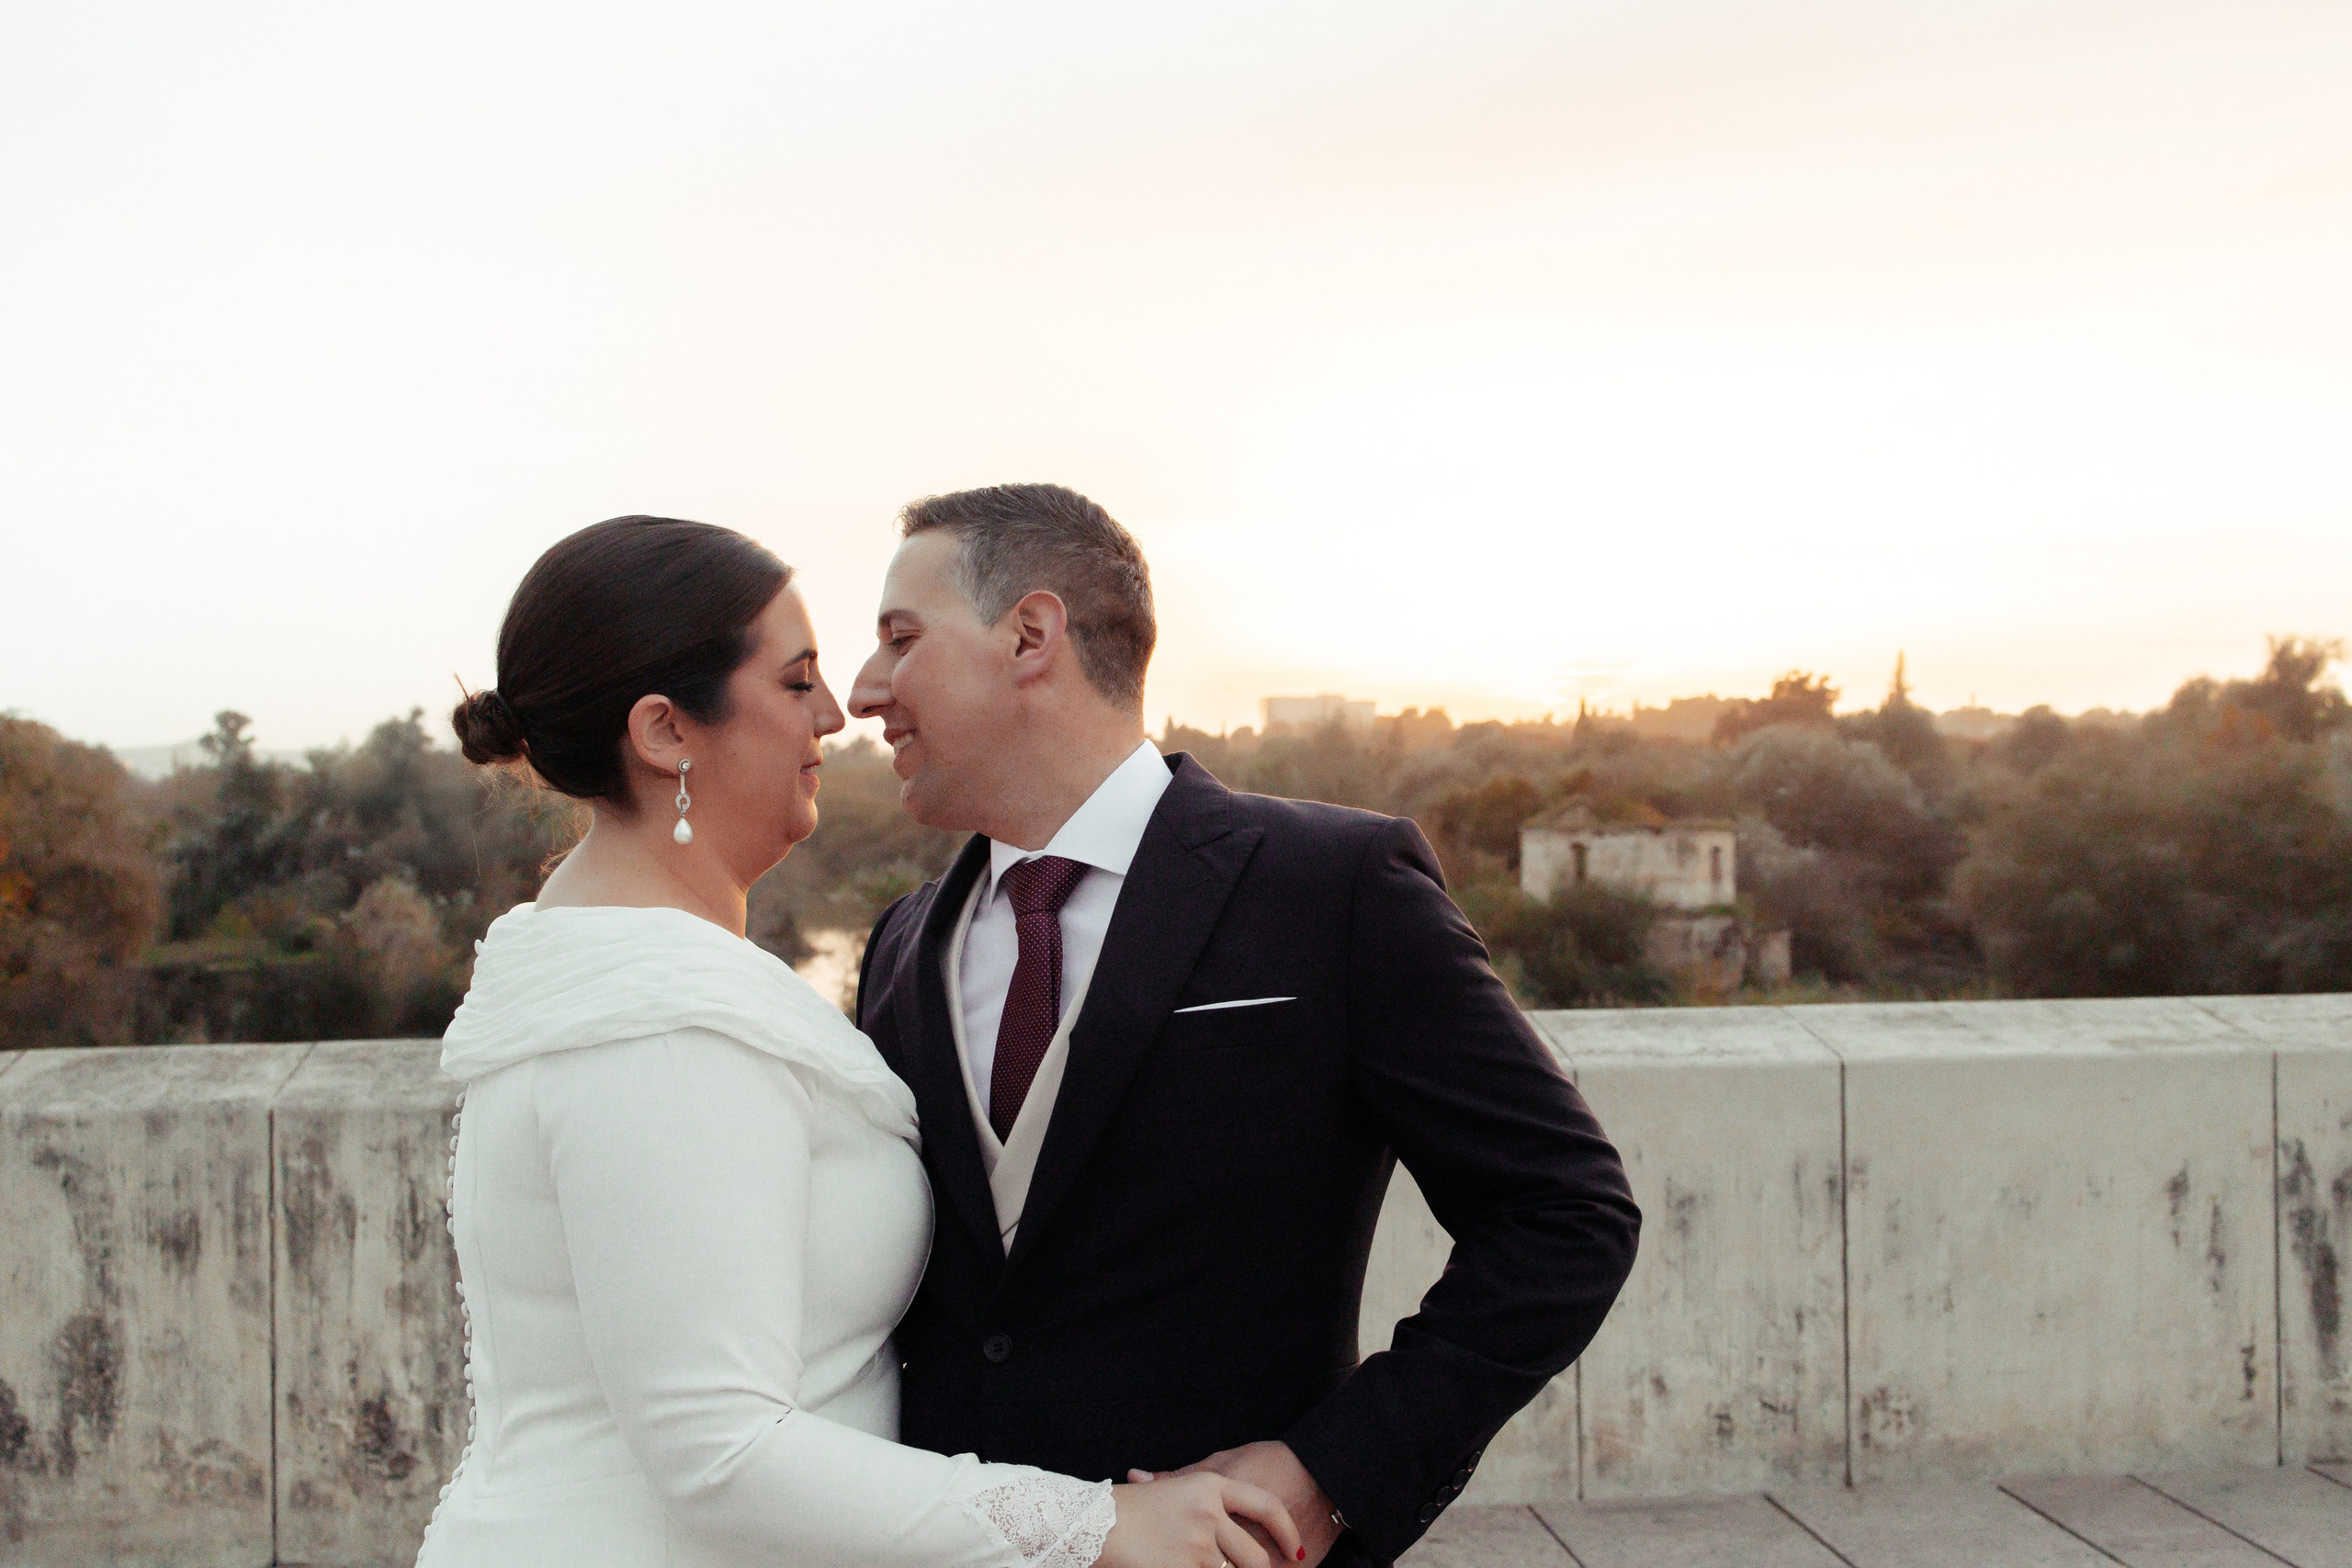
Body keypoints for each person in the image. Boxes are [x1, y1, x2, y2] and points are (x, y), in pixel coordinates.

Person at [422, 515, 1301, 1568]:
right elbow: (718, 1448)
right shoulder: (657, 1021)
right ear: (665, 734)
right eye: (796, 683)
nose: (838, 716)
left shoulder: (631, 977)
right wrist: (1099, 1527)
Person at [849, 485, 1642, 1568]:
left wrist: (1330, 1471)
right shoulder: (901, 943)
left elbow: (1563, 1215)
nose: (863, 690)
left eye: (899, 639)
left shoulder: (1334, 886)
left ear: (1031, 635)